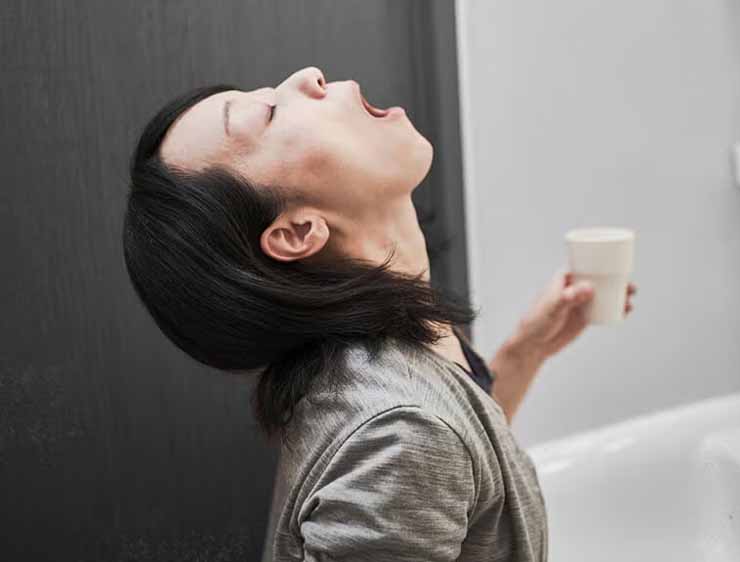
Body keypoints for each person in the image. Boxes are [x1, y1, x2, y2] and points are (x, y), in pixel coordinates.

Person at [122, 66, 636, 562]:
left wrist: (527, 350)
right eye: (269, 113)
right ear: (296, 231)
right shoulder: (396, 432)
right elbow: (419, 441)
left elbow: (458, 458)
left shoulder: (387, 368)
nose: (308, 76)